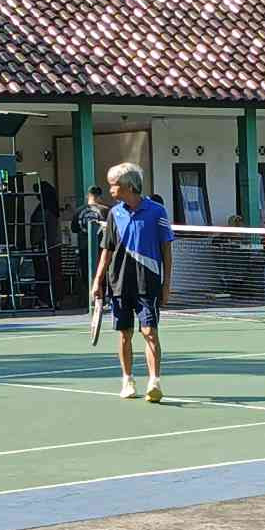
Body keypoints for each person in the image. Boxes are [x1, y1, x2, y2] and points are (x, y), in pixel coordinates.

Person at [92, 162, 173, 402]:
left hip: (148, 282)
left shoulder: (157, 211)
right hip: (119, 283)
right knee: (125, 334)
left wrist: (167, 285)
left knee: (150, 332)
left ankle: (154, 382)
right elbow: (106, 250)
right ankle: (127, 380)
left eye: (114, 185)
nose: (111, 190)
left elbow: (167, 251)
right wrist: (97, 280)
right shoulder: (114, 214)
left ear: (128, 186)